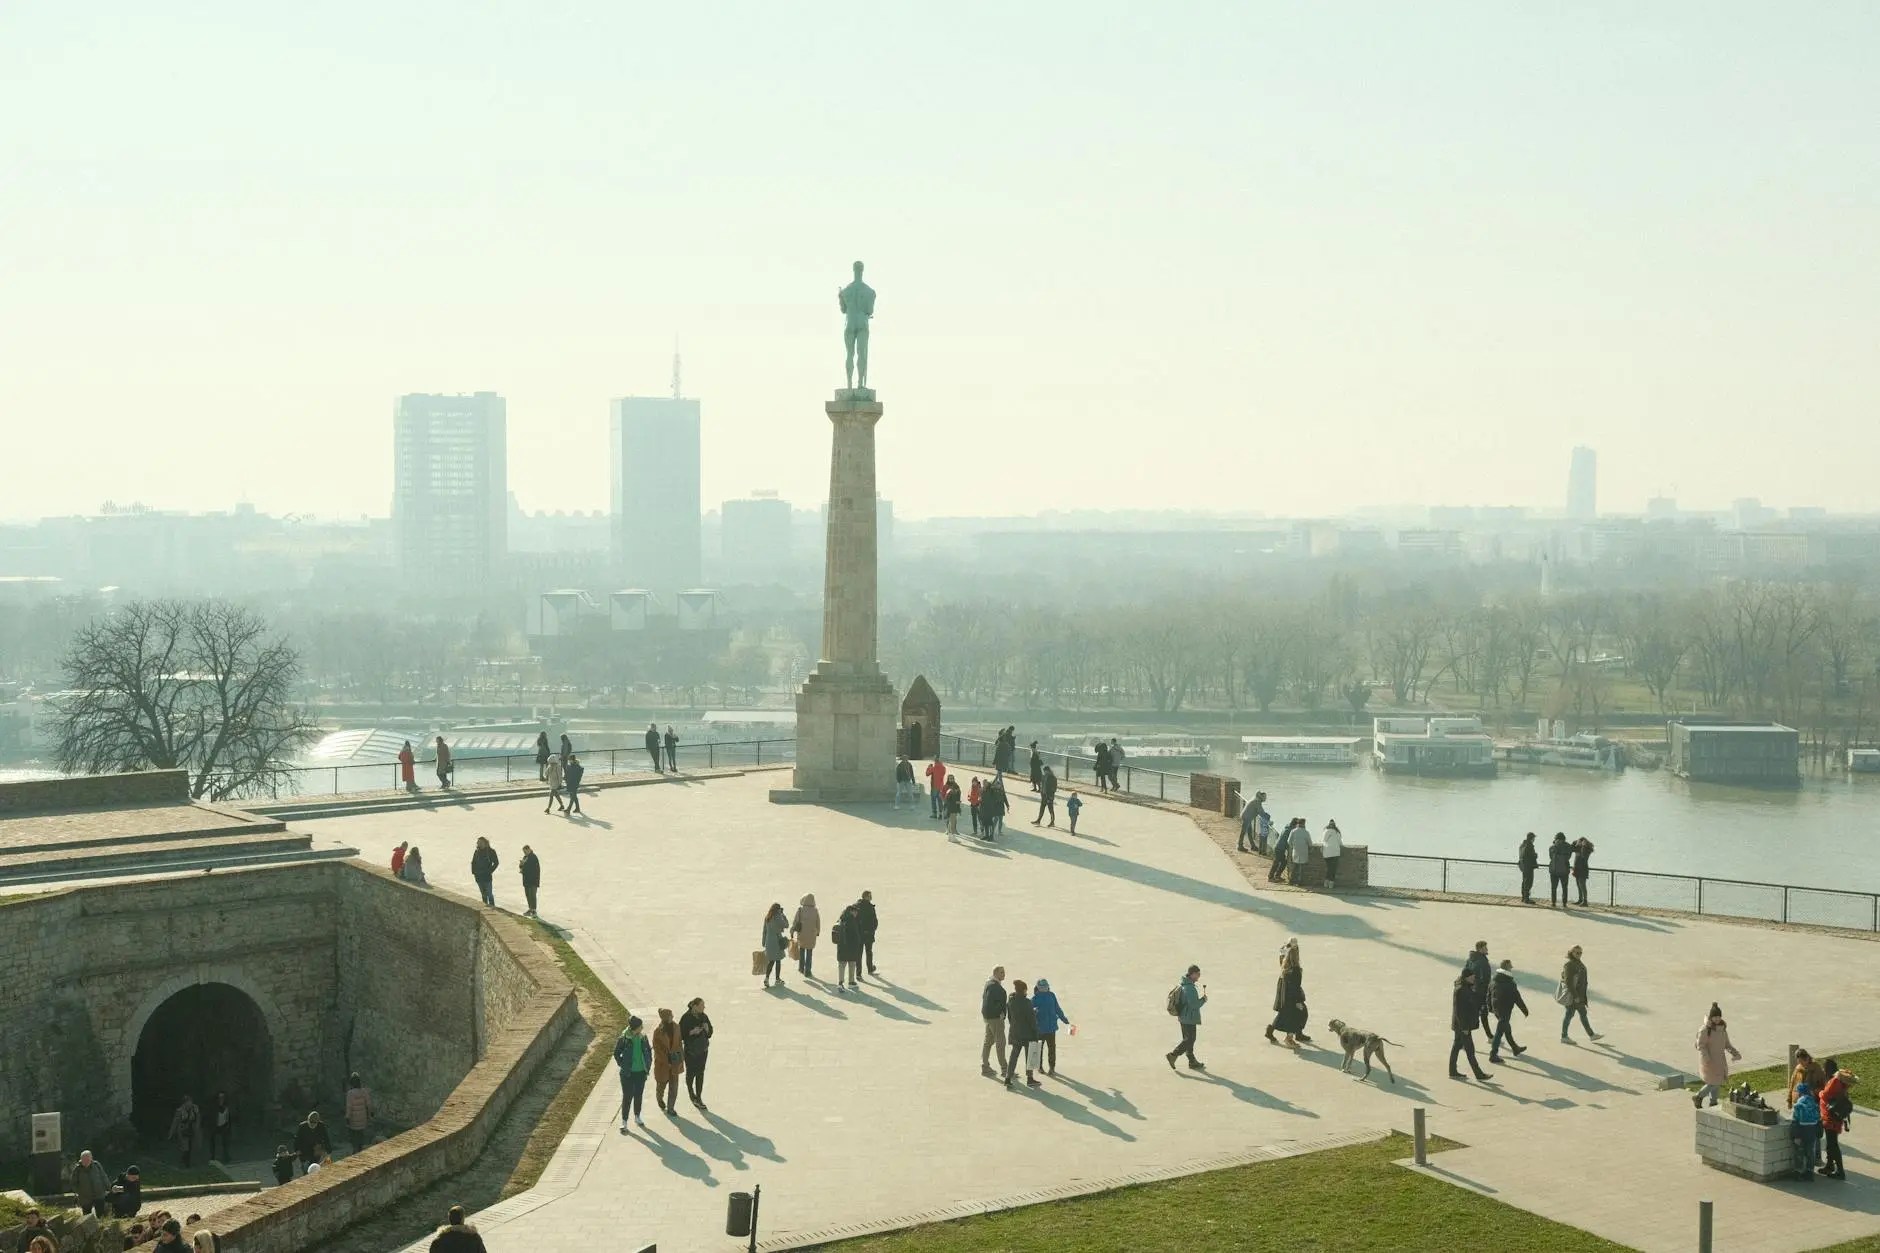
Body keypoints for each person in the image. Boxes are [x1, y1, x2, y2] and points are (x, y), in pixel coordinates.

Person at [1692, 1003, 1741, 1108]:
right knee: (1713, 1082)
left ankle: (1713, 1102)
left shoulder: (1722, 1029)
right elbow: (1700, 1045)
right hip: (1709, 1061)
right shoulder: (1705, 1030)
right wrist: (1706, 1057)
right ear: (1711, 1017)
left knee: (1717, 1081)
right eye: (1715, 1017)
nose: (1717, 1019)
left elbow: (1727, 1044)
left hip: (1720, 1060)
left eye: (1719, 1016)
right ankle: (1698, 1096)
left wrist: (1735, 1053)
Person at [1449, 970, 1495, 1081]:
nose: (1473, 979)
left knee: (1456, 1047)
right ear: (1466, 977)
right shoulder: (1461, 990)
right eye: (1472, 977)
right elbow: (1459, 1011)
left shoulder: (1465, 987)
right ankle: (1478, 1074)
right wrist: (1464, 1028)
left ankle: (1452, 1071)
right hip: (1462, 1026)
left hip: (1460, 1025)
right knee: (1470, 1050)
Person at [1266, 944, 1308, 1048]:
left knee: (1284, 1015)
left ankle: (1270, 1031)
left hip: (1285, 996)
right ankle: (1290, 1038)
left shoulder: (1285, 967)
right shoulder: (1296, 970)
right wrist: (1298, 1001)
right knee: (1300, 1014)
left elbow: (1281, 953)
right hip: (1292, 998)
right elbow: (1295, 987)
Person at [1166, 965, 1207, 1070]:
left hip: (1183, 1017)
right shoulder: (1189, 988)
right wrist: (1203, 1000)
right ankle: (1173, 1055)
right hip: (1189, 1017)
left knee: (1188, 1039)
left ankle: (1192, 1061)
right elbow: (1194, 1005)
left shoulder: (1184, 984)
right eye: (1197, 974)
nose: (1199, 976)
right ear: (1192, 974)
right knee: (1190, 1040)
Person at [1488, 959, 1529, 1063]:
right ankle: (1493, 1054)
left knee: (1506, 1028)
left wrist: (1490, 1007)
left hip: (1496, 1008)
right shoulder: (1510, 983)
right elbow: (1517, 998)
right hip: (1505, 1010)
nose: (1512, 968)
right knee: (1499, 1032)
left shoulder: (1494, 980)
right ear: (1507, 968)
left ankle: (1515, 1048)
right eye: (1510, 966)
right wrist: (1525, 1010)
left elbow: (1488, 994)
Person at [1003, 978, 1042, 1088]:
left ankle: (1008, 1078)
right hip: (1027, 1034)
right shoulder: (1027, 1003)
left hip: (1015, 1032)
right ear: (1023, 990)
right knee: (1029, 1057)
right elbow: (1031, 1021)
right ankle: (1029, 1078)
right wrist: (1036, 1033)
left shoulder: (1011, 1001)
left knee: (1013, 1056)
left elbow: (1010, 1017)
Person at [614, 1016, 652, 1127]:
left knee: (638, 1095)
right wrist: (623, 1064)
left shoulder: (643, 1038)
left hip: (641, 1072)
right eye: (640, 1026)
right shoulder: (624, 1038)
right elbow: (616, 1053)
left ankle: (637, 1116)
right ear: (635, 1028)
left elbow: (648, 1052)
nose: (642, 1028)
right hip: (627, 1073)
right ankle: (624, 1121)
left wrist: (648, 1065)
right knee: (627, 1096)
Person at [1819, 1057, 1852, 1180]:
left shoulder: (1834, 1081)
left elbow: (1825, 1095)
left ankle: (1840, 1171)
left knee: (1833, 1145)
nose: (1823, 1070)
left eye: (1824, 1068)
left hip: (1831, 1118)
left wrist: (1819, 1093)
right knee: (1830, 1144)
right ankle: (1829, 1166)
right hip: (1833, 1117)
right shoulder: (1839, 1081)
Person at [1559, 945, 1599, 1041]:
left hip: (1580, 995)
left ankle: (1591, 1035)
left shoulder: (1578, 963)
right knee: (1570, 1015)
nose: (1579, 954)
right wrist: (1575, 996)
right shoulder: (1569, 965)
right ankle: (1564, 1036)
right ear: (1571, 953)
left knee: (1580, 1014)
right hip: (1574, 996)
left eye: (1580, 953)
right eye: (1577, 953)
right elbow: (1568, 982)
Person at [1031, 977, 1070, 1076]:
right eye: (1042, 986)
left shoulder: (1051, 996)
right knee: (1039, 1048)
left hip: (1051, 1028)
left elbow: (1057, 1008)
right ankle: (1039, 1067)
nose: (1044, 988)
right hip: (1040, 1029)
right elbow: (1030, 1014)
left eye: (1045, 986)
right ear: (1038, 988)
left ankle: (1051, 1068)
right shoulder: (1034, 999)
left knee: (1051, 1049)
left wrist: (1064, 1019)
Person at [679, 997, 713, 1109]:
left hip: (702, 1050)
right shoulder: (686, 1018)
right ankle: (691, 1092)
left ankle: (698, 1097)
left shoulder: (704, 1016)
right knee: (691, 1073)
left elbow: (710, 1033)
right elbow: (681, 1035)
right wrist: (691, 1032)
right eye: (701, 1005)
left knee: (700, 1073)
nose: (704, 1007)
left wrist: (707, 1029)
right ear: (695, 1006)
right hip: (691, 1051)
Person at [651, 1008, 685, 1116]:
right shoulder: (658, 1031)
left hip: (675, 1062)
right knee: (661, 1085)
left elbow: (679, 1043)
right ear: (665, 1017)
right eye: (670, 1015)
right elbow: (657, 1050)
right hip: (663, 1064)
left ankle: (671, 1108)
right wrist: (667, 1061)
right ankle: (659, 1099)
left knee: (674, 1087)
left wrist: (681, 1057)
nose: (672, 1016)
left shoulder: (676, 1027)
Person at [980, 966, 1009, 1077]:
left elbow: (985, 999)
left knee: (988, 1041)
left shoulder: (988, 984)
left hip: (987, 1017)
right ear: (995, 973)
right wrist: (1001, 1014)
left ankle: (985, 1066)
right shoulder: (997, 988)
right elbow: (1000, 1005)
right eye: (1001, 972)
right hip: (995, 1019)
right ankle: (1005, 1069)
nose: (1004, 974)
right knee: (1000, 1043)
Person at [1792, 1082, 1823, 1182]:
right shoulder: (1814, 1104)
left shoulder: (1798, 1105)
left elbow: (1795, 1122)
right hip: (1812, 1131)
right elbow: (1819, 1120)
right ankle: (1809, 1173)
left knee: (1799, 1152)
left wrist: (1795, 1136)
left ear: (1800, 1093)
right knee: (1810, 1152)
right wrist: (1819, 1133)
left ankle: (1798, 1172)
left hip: (1801, 1131)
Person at [1463, 941, 1494, 1035]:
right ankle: (1463, 1039)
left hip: (1471, 990)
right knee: (1479, 1014)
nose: (1487, 949)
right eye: (1485, 948)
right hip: (1480, 993)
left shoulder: (1470, 959)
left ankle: (1490, 1036)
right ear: (1480, 949)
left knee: (1478, 1014)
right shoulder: (1482, 962)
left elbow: (1465, 973)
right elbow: (1484, 980)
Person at [833, 902, 864, 989]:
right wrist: (858, 943)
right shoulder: (852, 921)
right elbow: (855, 935)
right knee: (852, 963)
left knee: (842, 965)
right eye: (855, 911)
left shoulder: (841, 919)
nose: (856, 913)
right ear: (851, 911)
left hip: (842, 946)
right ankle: (851, 981)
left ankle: (840, 982)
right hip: (851, 947)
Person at [73, 1150, 111, 1217]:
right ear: (81, 1159)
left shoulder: (97, 1165)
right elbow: (74, 1183)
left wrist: (109, 1188)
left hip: (99, 1194)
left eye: (88, 1159)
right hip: (85, 1198)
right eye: (84, 1159)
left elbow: (104, 1177)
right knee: (87, 1217)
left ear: (91, 1158)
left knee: (101, 1215)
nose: (86, 1161)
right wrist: (79, 1193)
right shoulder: (77, 1169)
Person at [344, 1071, 375, 1153]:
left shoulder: (350, 1093)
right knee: (361, 1134)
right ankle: (360, 1149)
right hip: (362, 1118)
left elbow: (349, 1107)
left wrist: (347, 1118)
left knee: (354, 1136)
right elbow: (369, 1104)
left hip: (353, 1120)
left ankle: (355, 1151)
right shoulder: (364, 1091)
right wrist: (370, 1113)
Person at [791, 893, 821, 978]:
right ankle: (808, 970)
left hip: (802, 934)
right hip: (812, 934)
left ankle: (801, 967)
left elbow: (795, 921)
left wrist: (792, 930)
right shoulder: (815, 911)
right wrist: (818, 931)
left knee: (802, 950)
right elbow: (818, 922)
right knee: (809, 952)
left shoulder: (800, 910)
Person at [167, 1093, 201, 1166]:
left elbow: (198, 1118)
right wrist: (171, 1133)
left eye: (190, 1102)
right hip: (182, 1130)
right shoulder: (179, 1111)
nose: (189, 1104)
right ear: (184, 1103)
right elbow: (175, 1122)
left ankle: (185, 1159)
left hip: (192, 1129)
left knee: (191, 1146)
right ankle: (186, 1163)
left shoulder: (195, 1108)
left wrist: (197, 1128)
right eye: (187, 1102)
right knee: (185, 1147)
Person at [761, 902, 789, 987]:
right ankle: (777, 979)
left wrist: (763, 942)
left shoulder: (767, 917)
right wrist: (783, 915)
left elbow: (764, 931)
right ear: (778, 910)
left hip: (769, 941)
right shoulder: (778, 917)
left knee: (771, 961)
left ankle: (766, 978)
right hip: (777, 941)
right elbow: (786, 925)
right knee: (778, 960)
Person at [856, 889, 880, 975]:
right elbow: (874, 921)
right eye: (870, 896)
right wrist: (873, 929)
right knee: (869, 952)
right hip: (868, 934)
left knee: (859, 953)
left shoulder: (856, 906)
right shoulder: (870, 907)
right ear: (866, 897)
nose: (871, 897)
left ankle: (858, 973)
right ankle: (870, 969)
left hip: (859, 934)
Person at [470, 837, 498, 907]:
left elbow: (496, 862)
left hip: (487, 876)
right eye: (478, 842)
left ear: (484, 843)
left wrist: (489, 871)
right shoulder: (477, 852)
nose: (478, 844)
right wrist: (474, 872)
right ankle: (485, 906)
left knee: (489, 893)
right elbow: (473, 862)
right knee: (483, 894)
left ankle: (492, 907)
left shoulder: (491, 851)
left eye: (480, 842)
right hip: (478, 876)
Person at [1547, 832, 1572, 907]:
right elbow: (1568, 858)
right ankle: (1564, 903)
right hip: (1564, 870)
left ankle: (1553, 902)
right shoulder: (1568, 847)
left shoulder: (1552, 847)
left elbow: (1551, 857)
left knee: (1553, 887)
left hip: (1554, 870)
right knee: (1564, 887)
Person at [209, 1090, 233, 1161]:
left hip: (224, 1125)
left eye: (223, 1097)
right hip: (215, 1126)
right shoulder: (214, 1107)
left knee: (225, 1141)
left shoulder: (227, 1107)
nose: (221, 1099)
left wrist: (228, 1125)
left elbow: (228, 1117)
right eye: (220, 1097)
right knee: (213, 1140)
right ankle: (213, 1156)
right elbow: (212, 1116)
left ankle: (226, 1155)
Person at [1268, 819, 1294, 883]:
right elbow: (1287, 841)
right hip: (1280, 848)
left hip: (1278, 847)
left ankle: (1277, 876)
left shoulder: (1287, 828)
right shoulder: (1289, 830)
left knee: (1282, 862)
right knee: (1276, 862)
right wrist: (1289, 849)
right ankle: (1271, 877)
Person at [981, 775, 1007, 840]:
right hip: (984, 808)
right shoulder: (982, 790)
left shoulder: (991, 789)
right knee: (985, 823)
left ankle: (991, 836)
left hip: (990, 808)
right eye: (984, 783)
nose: (985, 784)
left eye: (986, 783)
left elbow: (993, 782)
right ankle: (986, 835)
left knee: (990, 823)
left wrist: (997, 775)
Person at [1287, 817, 1311, 886]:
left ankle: (1291, 881)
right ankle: (1299, 882)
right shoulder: (1306, 832)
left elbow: (1289, 841)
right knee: (1301, 868)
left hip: (1295, 851)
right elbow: (1310, 843)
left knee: (1294, 867)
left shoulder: (1293, 831)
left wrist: (1293, 846)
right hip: (1303, 852)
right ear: (1303, 824)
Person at [1572, 836, 1595, 906]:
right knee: (1578, 884)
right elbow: (1571, 848)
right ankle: (1580, 899)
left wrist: (1583, 846)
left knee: (1582, 885)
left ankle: (1585, 901)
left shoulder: (1587, 849)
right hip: (1577, 868)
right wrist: (1575, 842)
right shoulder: (1578, 848)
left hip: (1583, 868)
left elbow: (1584, 856)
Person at [519, 845, 541, 917]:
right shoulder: (525, 857)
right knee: (528, 895)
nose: (524, 853)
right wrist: (521, 865)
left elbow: (533, 869)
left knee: (532, 895)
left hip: (533, 880)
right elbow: (523, 867)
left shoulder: (533, 857)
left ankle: (534, 910)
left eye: (525, 851)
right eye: (523, 852)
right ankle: (530, 909)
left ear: (529, 850)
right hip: (526, 880)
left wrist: (524, 866)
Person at [1320, 820, 1343, 888]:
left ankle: (1326, 882)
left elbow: (1323, 841)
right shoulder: (1337, 833)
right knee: (1333, 869)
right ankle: (1331, 883)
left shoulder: (1326, 831)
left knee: (1329, 868)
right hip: (1335, 852)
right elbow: (1340, 843)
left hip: (1327, 852)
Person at [1517, 832, 1539, 904]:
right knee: (1529, 882)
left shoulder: (1522, 845)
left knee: (1524, 881)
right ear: (1532, 838)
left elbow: (1522, 855)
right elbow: (1530, 856)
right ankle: (1526, 898)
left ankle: (1524, 897)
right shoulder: (1529, 845)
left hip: (1523, 866)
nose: (1534, 839)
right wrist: (1535, 855)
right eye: (1534, 838)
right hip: (1529, 866)